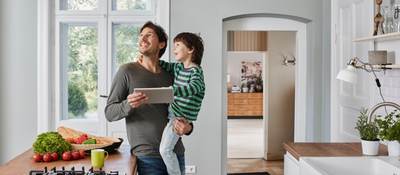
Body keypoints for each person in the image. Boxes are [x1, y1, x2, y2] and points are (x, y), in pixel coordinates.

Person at [105, 21, 193, 175]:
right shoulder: (127, 71)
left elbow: (185, 109)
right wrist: (128, 104)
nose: (142, 39)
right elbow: (110, 113)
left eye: (149, 35)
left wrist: (189, 128)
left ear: (161, 44)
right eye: (140, 36)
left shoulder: (172, 74)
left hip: (175, 153)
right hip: (147, 157)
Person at [158, 32, 205, 175]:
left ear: (190, 49)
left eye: (178, 45)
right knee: (165, 149)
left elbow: (194, 87)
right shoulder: (179, 67)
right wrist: (153, 59)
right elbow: (165, 65)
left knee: (165, 150)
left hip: (180, 117)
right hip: (174, 112)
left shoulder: (196, 72)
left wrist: (173, 91)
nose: (174, 49)